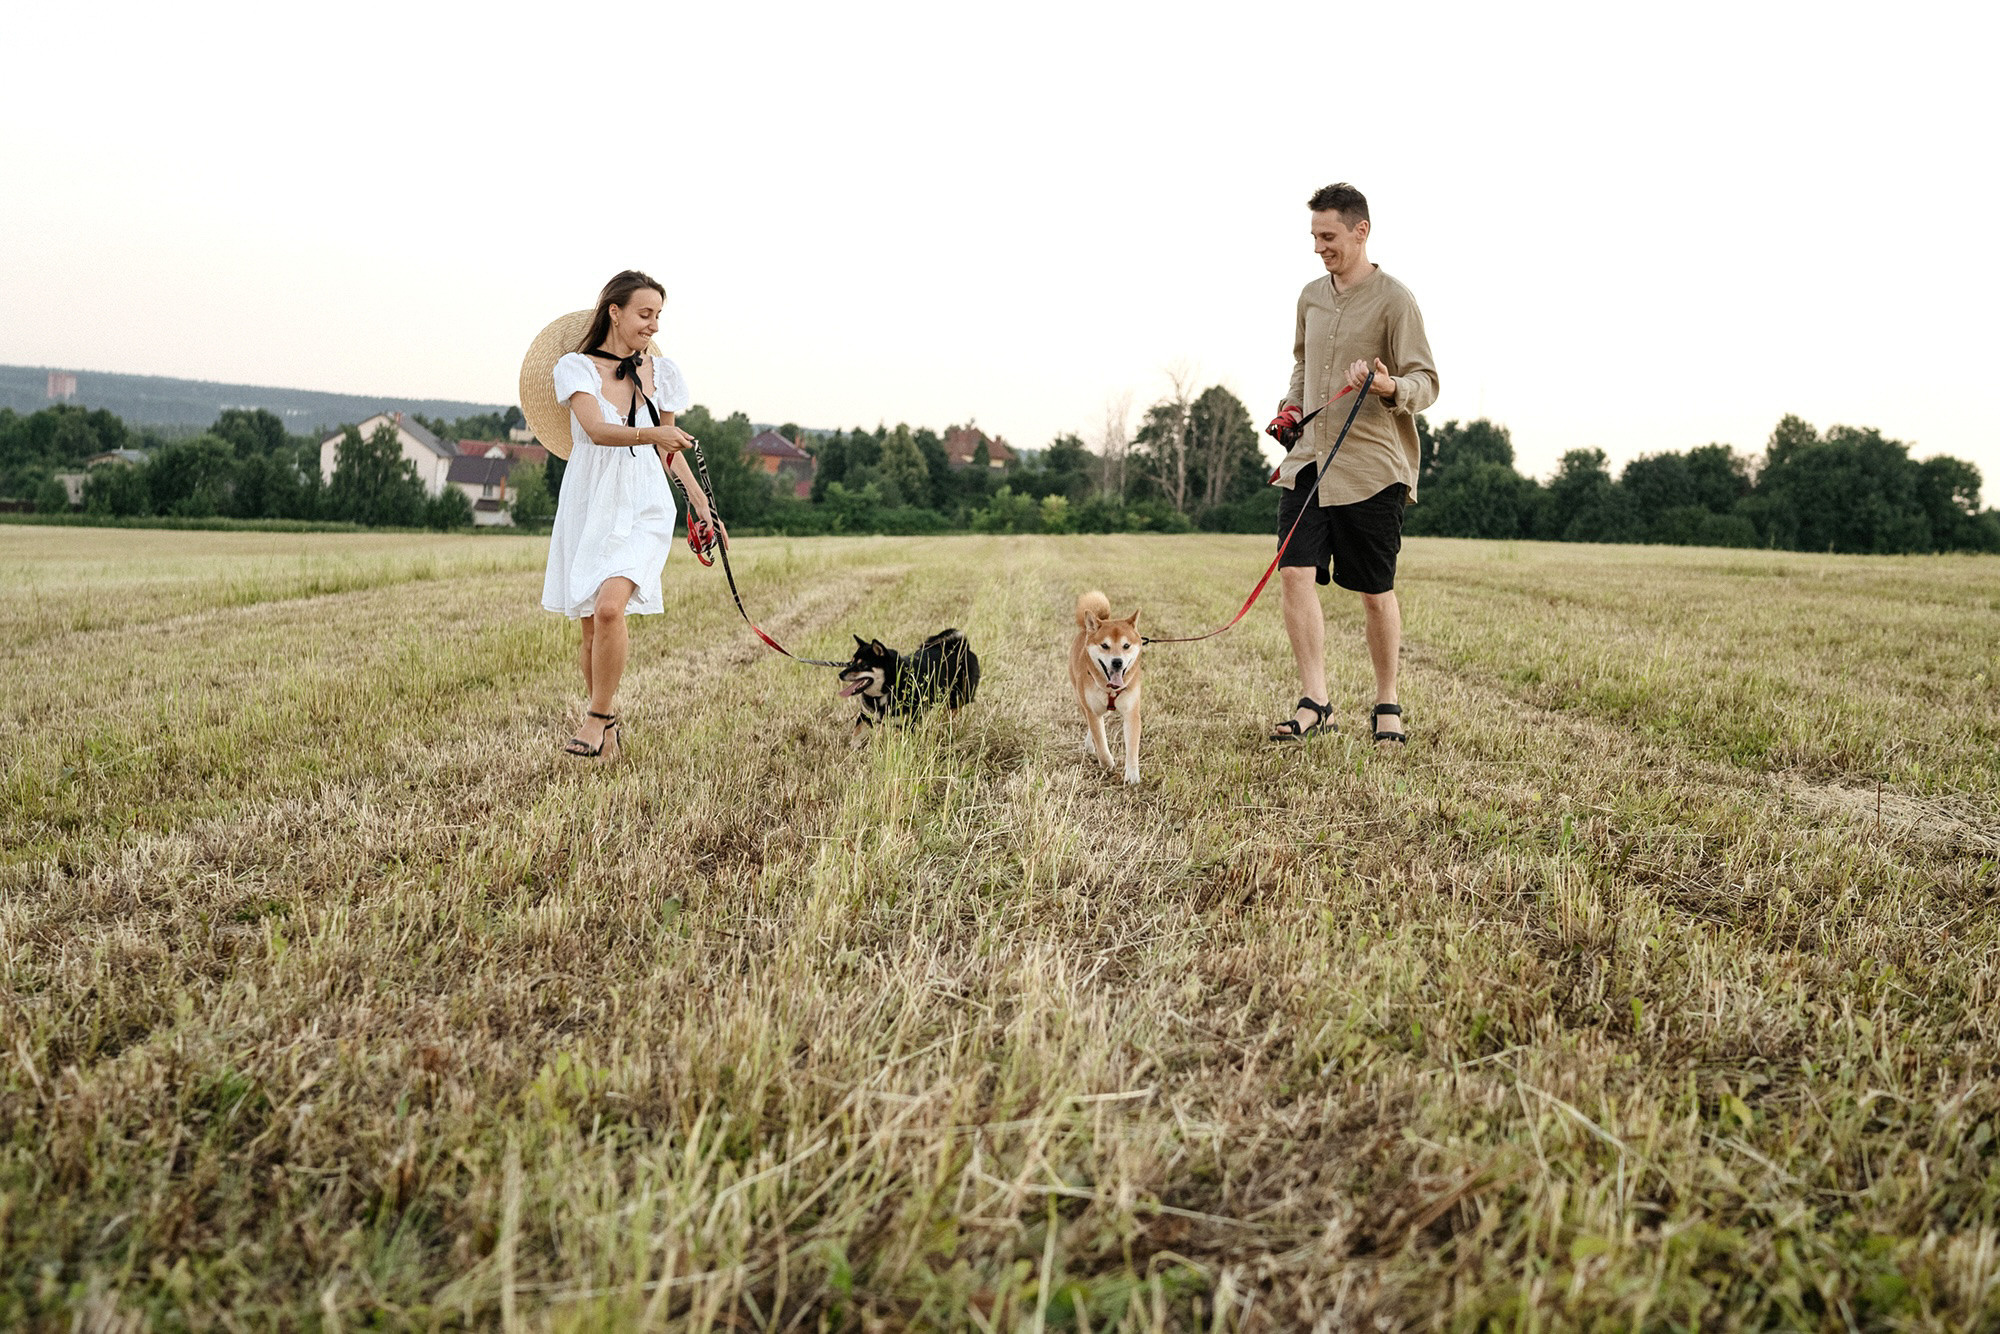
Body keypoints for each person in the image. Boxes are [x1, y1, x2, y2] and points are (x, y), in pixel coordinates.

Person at [1264, 183, 1437, 747]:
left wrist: (1389, 385)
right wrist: (1292, 407)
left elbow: (1426, 382)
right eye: (1314, 236)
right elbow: (1301, 363)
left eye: (1329, 236)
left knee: (1374, 589)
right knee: (1294, 573)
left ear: (1361, 231)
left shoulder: (1395, 299)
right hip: (1309, 457)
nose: (1319, 247)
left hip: (1371, 465)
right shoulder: (1310, 297)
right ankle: (1315, 700)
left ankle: (1387, 701)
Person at [541, 269, 719, 759]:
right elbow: (596, 430)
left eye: (659, 315)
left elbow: (671, 451)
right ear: (614, 312)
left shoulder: (662, 375)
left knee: (609, 608)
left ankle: (595, 719)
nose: (654, 325)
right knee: (591, 625)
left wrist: (703, 507)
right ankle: (610, 724)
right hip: (589, 501)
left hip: (644, 503)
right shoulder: (574, 368)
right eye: (645, 313)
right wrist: (655, 436)